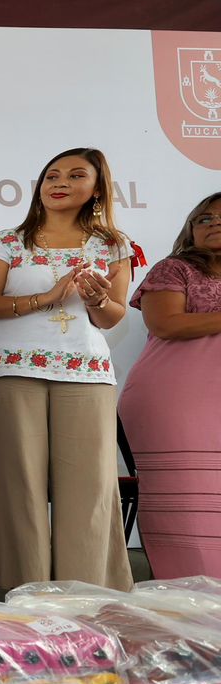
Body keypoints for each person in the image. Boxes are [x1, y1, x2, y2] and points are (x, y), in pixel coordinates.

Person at [0, 147, 138, 591]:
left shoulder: (114, 245)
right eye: (52, 175)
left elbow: (111, 318)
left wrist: (97, 299)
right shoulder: (6, 242)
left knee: (88, 485)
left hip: (86, 372)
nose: (60, 182)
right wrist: (46, 298)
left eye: (76, 175)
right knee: (16, 485)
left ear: (97, 189)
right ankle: (20, 592)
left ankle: (88, 593)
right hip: (8, 371)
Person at [118, 192, 221, 579]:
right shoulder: (173, 268)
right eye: (204, 219)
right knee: (187, 498)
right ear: (191, 230)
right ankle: (187, 593)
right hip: (175, 398)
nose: (214, 223)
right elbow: (166, 324)